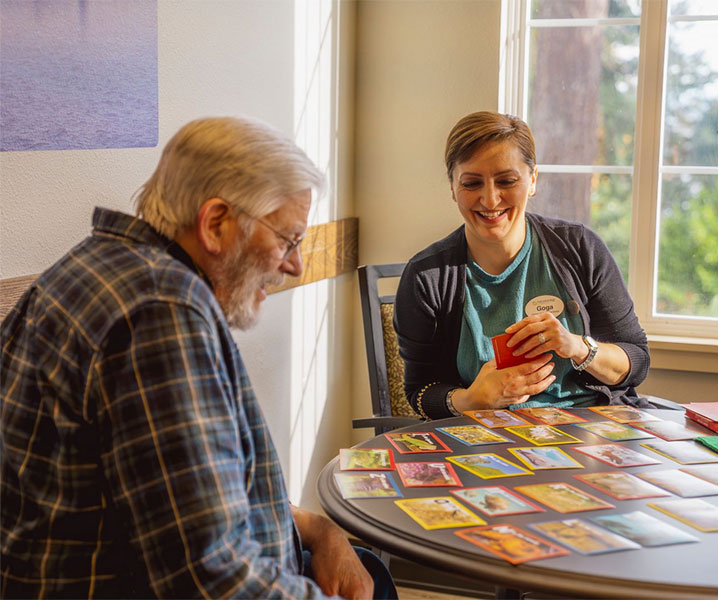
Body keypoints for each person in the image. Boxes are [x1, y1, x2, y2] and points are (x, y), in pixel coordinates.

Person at [0, 116, 396, 599]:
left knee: (368, 568)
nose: (294, 265)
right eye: (288, 240)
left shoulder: (99, 264)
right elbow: (211, 577)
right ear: (215, 224)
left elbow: (186, 493)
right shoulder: (159, 315)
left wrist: (320, 529)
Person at [394, 111, 650, 420]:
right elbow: (419, 392)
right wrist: (472, 399)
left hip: (591, 434)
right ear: (452, 188)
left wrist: (579, 347)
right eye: (472, 183)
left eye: (506, 181)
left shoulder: (581, 248)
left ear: (532, 180)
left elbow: (636, 361)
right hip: (486, 441)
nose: (490, 200)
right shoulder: (427, 277)